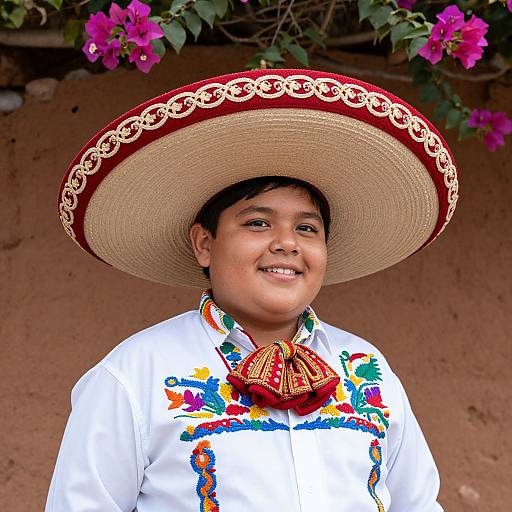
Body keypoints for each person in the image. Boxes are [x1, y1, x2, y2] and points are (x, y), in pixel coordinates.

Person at [48, 69, 459, 511]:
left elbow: (417, 504)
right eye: (258, 223)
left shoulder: (366, 369)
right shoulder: (135, 375)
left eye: (307, 228)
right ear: (205, 244)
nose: (287, 243)